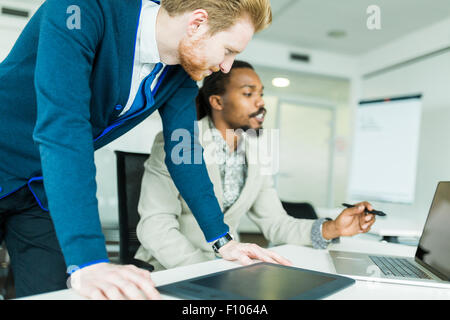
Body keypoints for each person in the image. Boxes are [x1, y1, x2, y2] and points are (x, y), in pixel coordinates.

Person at [0, 0, 287, 300]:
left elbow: (185, 154)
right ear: (197, 23)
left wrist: (222, 240)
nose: (225, 66)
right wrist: (89, 260)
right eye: (228, 50)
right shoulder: (82, 9)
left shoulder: (179, 73)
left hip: (41, 190)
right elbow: (64, 131)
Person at [135, 60, 377, 270]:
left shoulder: (257, 153)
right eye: (248, 94)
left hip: (228, 267)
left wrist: (332, 228)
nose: (260, 103)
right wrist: (205, 270)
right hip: (172, 268)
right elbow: (155, 226)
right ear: (218, 101)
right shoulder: (180, 141)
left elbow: (276, 224)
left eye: (261, 94)